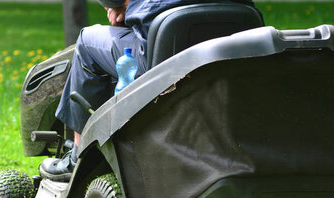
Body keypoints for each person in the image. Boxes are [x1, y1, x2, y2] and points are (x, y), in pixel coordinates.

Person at [39, 0, 256, 181]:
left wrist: (120, 4)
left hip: (162, 58)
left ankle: (78, 157)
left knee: (87, 40)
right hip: (227, 51)